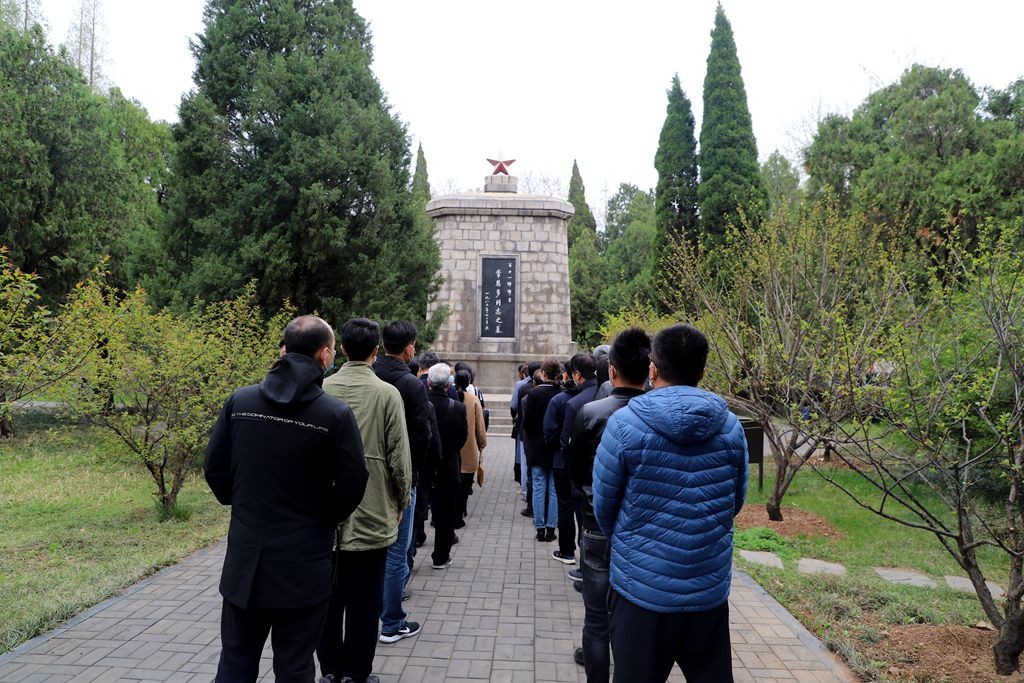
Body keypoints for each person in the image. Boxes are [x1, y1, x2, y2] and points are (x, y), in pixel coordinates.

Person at [205, 315, 368, 683]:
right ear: (325, 355)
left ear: (284, 349)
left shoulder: (240, 401)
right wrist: (322, 517)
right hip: (303, 566)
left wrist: (242, 501)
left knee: (235, 661)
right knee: (295, 665)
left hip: (246, 562)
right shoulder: (334, 414)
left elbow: (214, 467)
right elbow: (353, 483)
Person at [593, 324, 748, 683]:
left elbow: (604, 507)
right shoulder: (730, 427)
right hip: (707, 591)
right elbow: (735, 502)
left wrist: (635, 544)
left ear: (653, 369)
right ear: (702, 372)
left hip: (641, 593)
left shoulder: (624, 424)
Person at [316, 318, 412, 683]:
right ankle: (357, 674)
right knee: (365, 603)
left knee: (327, 599)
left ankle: (329, 670)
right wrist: (401, 500)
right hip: (373, 511)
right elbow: (399, 458)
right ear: (376, 351)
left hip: (324, 513)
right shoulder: (387, 394)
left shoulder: (321, 388)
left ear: (341, 349)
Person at [565, 327, 650, 682]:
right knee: (635, 618)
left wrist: (591, 501)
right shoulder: (654, 415)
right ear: (650, 370)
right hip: (643, 530)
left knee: (597, 618)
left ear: (611, 370)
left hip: (597, 526)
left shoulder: (591, 412)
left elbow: (575, 469)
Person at [372, 320, 433, 644]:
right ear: (409, 349)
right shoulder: (411, 384)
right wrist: (414, 473)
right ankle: (392, 622)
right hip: (401, 478)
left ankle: (365, 613)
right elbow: (422, 435)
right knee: (396, 552)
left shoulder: (369, 374)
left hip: (365, 475)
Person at [425, 363, 468, 568]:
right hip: (449, 464)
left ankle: (412, 550)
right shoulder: (458, 408)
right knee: (446, 510)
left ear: (428, 383)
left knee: (419, 509)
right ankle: (441, 556)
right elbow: (463, 437)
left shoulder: (421, 405)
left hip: (425, 465)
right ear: (447, 385)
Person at [522, 358, 563, 542]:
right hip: (556, 447)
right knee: (554, 488)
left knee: (539, 485)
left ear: (543, 373)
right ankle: (551, 528)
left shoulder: (533, 394)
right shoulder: (561, 393)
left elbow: (527, 423)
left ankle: (539, 528)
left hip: (537, 446)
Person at [454, 369, 487, 525]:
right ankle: (460, 513)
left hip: (451, 448)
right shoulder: (474, 400)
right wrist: (482, 444)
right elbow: (480, 426)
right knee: (465, 484)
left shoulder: (450, 397)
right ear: (469, 382)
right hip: (469, 447)